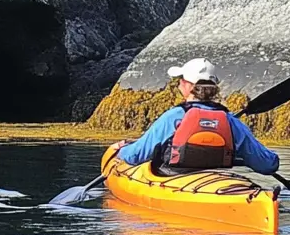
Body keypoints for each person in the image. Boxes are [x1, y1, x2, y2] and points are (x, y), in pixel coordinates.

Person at [115, 58, 279, 175]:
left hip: (174, 179)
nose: (179, 83)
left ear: (189, 86)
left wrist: (120, 151)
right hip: (216, 179)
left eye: (181, 80)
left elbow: (135, 156)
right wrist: (274, 158)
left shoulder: (174, 117)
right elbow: (266, 165)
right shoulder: (230, 121)